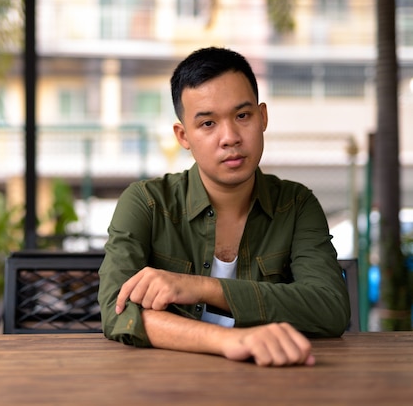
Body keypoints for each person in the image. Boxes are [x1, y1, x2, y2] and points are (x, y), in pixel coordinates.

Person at [97, 46, 351, 367]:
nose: (229, 137)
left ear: (263, 117)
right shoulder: (146, 202)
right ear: (183, 135)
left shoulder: (296, 204)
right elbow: (118, 311)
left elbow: (329, 308)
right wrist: (230, 340)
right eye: (207, 124)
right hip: (163, 385)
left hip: (273, 382)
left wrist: (200, 287)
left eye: (242, 116)